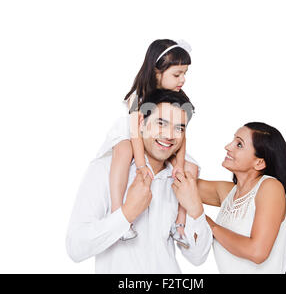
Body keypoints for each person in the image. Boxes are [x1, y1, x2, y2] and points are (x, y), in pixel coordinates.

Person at [65, 89, 212, 273]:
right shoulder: (105, 169)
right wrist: (126, 215)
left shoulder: (181, 181)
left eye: (179, 128)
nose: (169, 135)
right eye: (161, 123)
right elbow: (75, 247)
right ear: (141, 122)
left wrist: (196, 210)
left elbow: (198, 258)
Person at [173, 122, 286, 273]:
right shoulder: (229, 193)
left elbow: (257, 252)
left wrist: (209, 224)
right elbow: (180, 182)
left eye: (239, 144)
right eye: (233, 140)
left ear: (259, 162)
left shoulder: (270, 187)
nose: (228, 146)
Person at [101, 39, 198, 247]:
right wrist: (142, 165)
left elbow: (182, 133)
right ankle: (118, 212)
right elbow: (135, 133)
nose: (182, 80)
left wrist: (179, 164)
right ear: (156, 72)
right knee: (123, 149)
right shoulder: (138, 96)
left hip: (162, 139)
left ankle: (179, 225)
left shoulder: (179, 97)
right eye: (177, 74)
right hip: (135, 136)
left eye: (184, 74)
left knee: (191, 168)